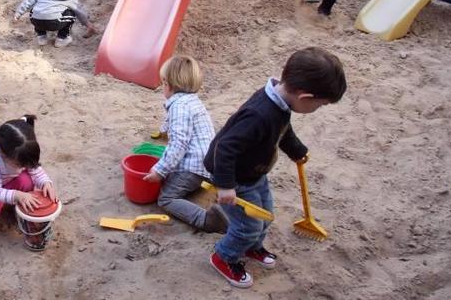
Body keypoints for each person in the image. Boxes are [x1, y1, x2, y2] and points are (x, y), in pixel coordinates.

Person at [205, 47, 346, 288]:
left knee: (266, 214)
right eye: (319, 105)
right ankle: (223, 256)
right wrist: (225, 185)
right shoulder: (259, 115)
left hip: (255, 174)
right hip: (234, 179)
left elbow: (283, 131)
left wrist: (297, 150)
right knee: (248, 226)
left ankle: (251, 247)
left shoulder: (280, 104)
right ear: (305, 97)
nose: (317, 110)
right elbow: (226, 147)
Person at [142, 55, 228, 233]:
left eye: (162, 83)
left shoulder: (179, 107)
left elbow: (179, 144)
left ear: (167, 84)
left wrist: (160, 170)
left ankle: (207, 220)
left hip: (193, 169)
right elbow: (175, 126)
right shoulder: (192, 101)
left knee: (166, 199)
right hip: (209, 163)